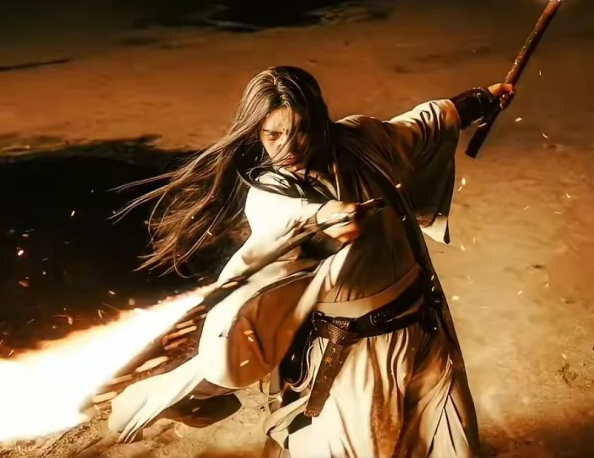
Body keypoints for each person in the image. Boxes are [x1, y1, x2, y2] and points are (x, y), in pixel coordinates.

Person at [108, 66, 514, 458]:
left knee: (452, 446)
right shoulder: (269, 193)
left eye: (300, 130)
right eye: (273, 134)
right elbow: (287, 222)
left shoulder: (362, 139)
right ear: (258, 133)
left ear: (320, 121)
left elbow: (420, 125)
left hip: (425, 330)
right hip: (355, 349)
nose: (288, 148)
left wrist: (480, 100)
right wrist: (321, 218)